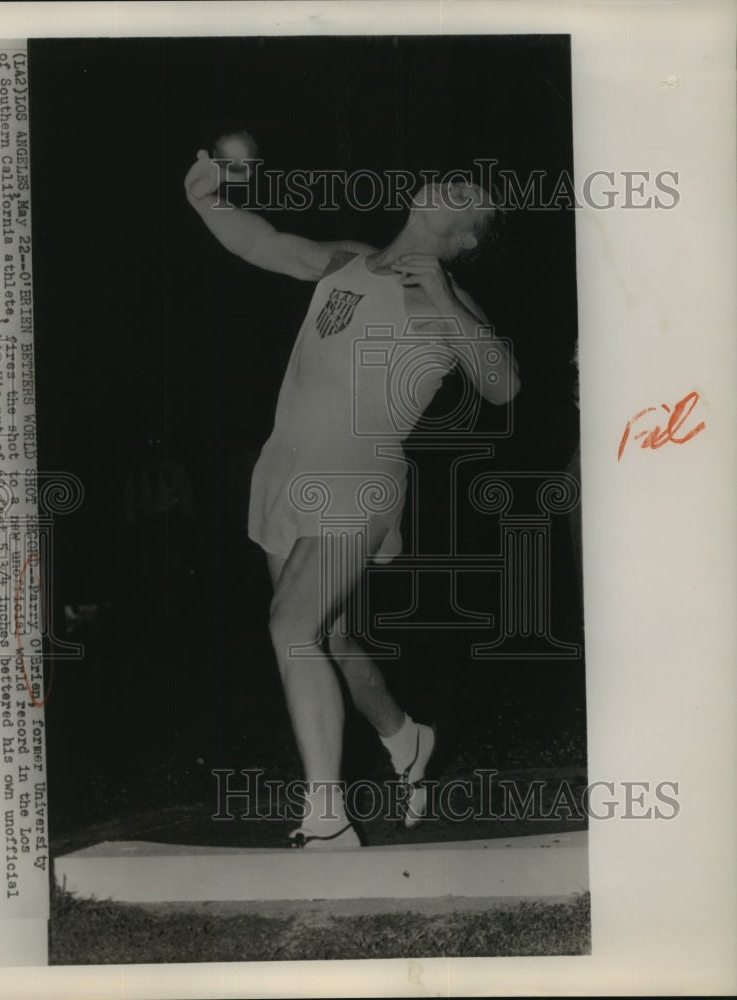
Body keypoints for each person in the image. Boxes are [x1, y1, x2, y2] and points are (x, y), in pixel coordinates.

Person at [185, 146, 520, 848]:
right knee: (326, 635)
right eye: (449, 172)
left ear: (464, 239)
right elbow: (264, 243)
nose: (449, 179)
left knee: (289, 628)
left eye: (466, 193)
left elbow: (501, 384)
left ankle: (327, 817)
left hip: (358, 473)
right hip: (286, 466)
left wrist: (445, 294)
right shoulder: (346, 260)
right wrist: (206, 198)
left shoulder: (446, 304)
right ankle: (404, 737)